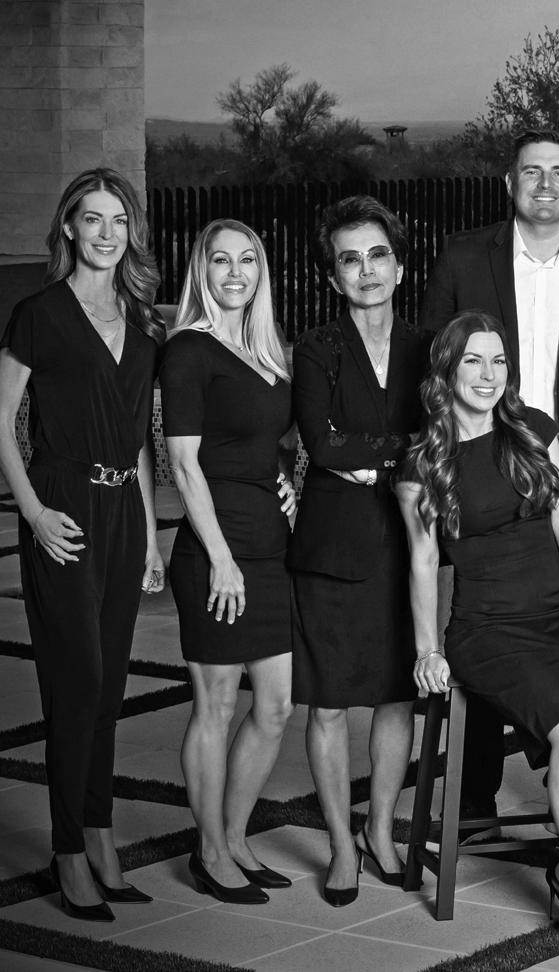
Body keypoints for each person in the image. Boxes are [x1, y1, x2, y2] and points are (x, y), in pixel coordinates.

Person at [399, 312, 559, 965]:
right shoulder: (424, 462)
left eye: (498, 360)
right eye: (472, 361)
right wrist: (427, 649)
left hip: (556, 615)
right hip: (488, 630)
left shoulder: (533, 428)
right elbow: (422, 561)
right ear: (446, 371)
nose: (488, 374)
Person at [421, 128, 559, 832]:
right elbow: (435, 356)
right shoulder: (464, 255)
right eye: (531, 171)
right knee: (485, 624)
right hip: (482, 470)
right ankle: (475, 797)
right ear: (509, 183)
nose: (545, 184)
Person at [0, 168, 166, 920]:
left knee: (109, 688)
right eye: (92, 218)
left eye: (118, 220)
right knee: (76, 683)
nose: (106, 232)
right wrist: (34, 513)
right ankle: (68, 848)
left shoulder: (143, 320)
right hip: (62, 508)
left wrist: (150, 538)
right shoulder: (38, 314)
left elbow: (138, 443)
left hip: (123, 513)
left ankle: (100, 834)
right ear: (69, 227)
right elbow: (1, 422)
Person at [289, 196, 431, 906]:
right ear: (333, 275)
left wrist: (370, 457)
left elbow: (438, 440)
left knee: (396, 697)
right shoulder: (317, 349)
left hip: (408, 550)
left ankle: (379, 828)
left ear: (400, 267)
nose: (367, 270)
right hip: (331, 551)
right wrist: (397, 454)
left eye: (378, 256)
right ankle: (341, 845)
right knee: (328, 705)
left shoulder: (428, 348)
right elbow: (321, 445)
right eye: (351, 259)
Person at [162, 220, 297, 905]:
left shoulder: (266, 351)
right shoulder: (188, 349)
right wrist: (220, 557)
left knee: (275, 706)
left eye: (248, 260)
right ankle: (210, 850)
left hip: (269, 551)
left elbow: (269, 442)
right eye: (221, 261)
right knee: (215, 703)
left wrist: (288, 479)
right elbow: (183, 465)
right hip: (216, 554)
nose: (236, 272)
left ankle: (237, 838)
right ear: (202, 270)